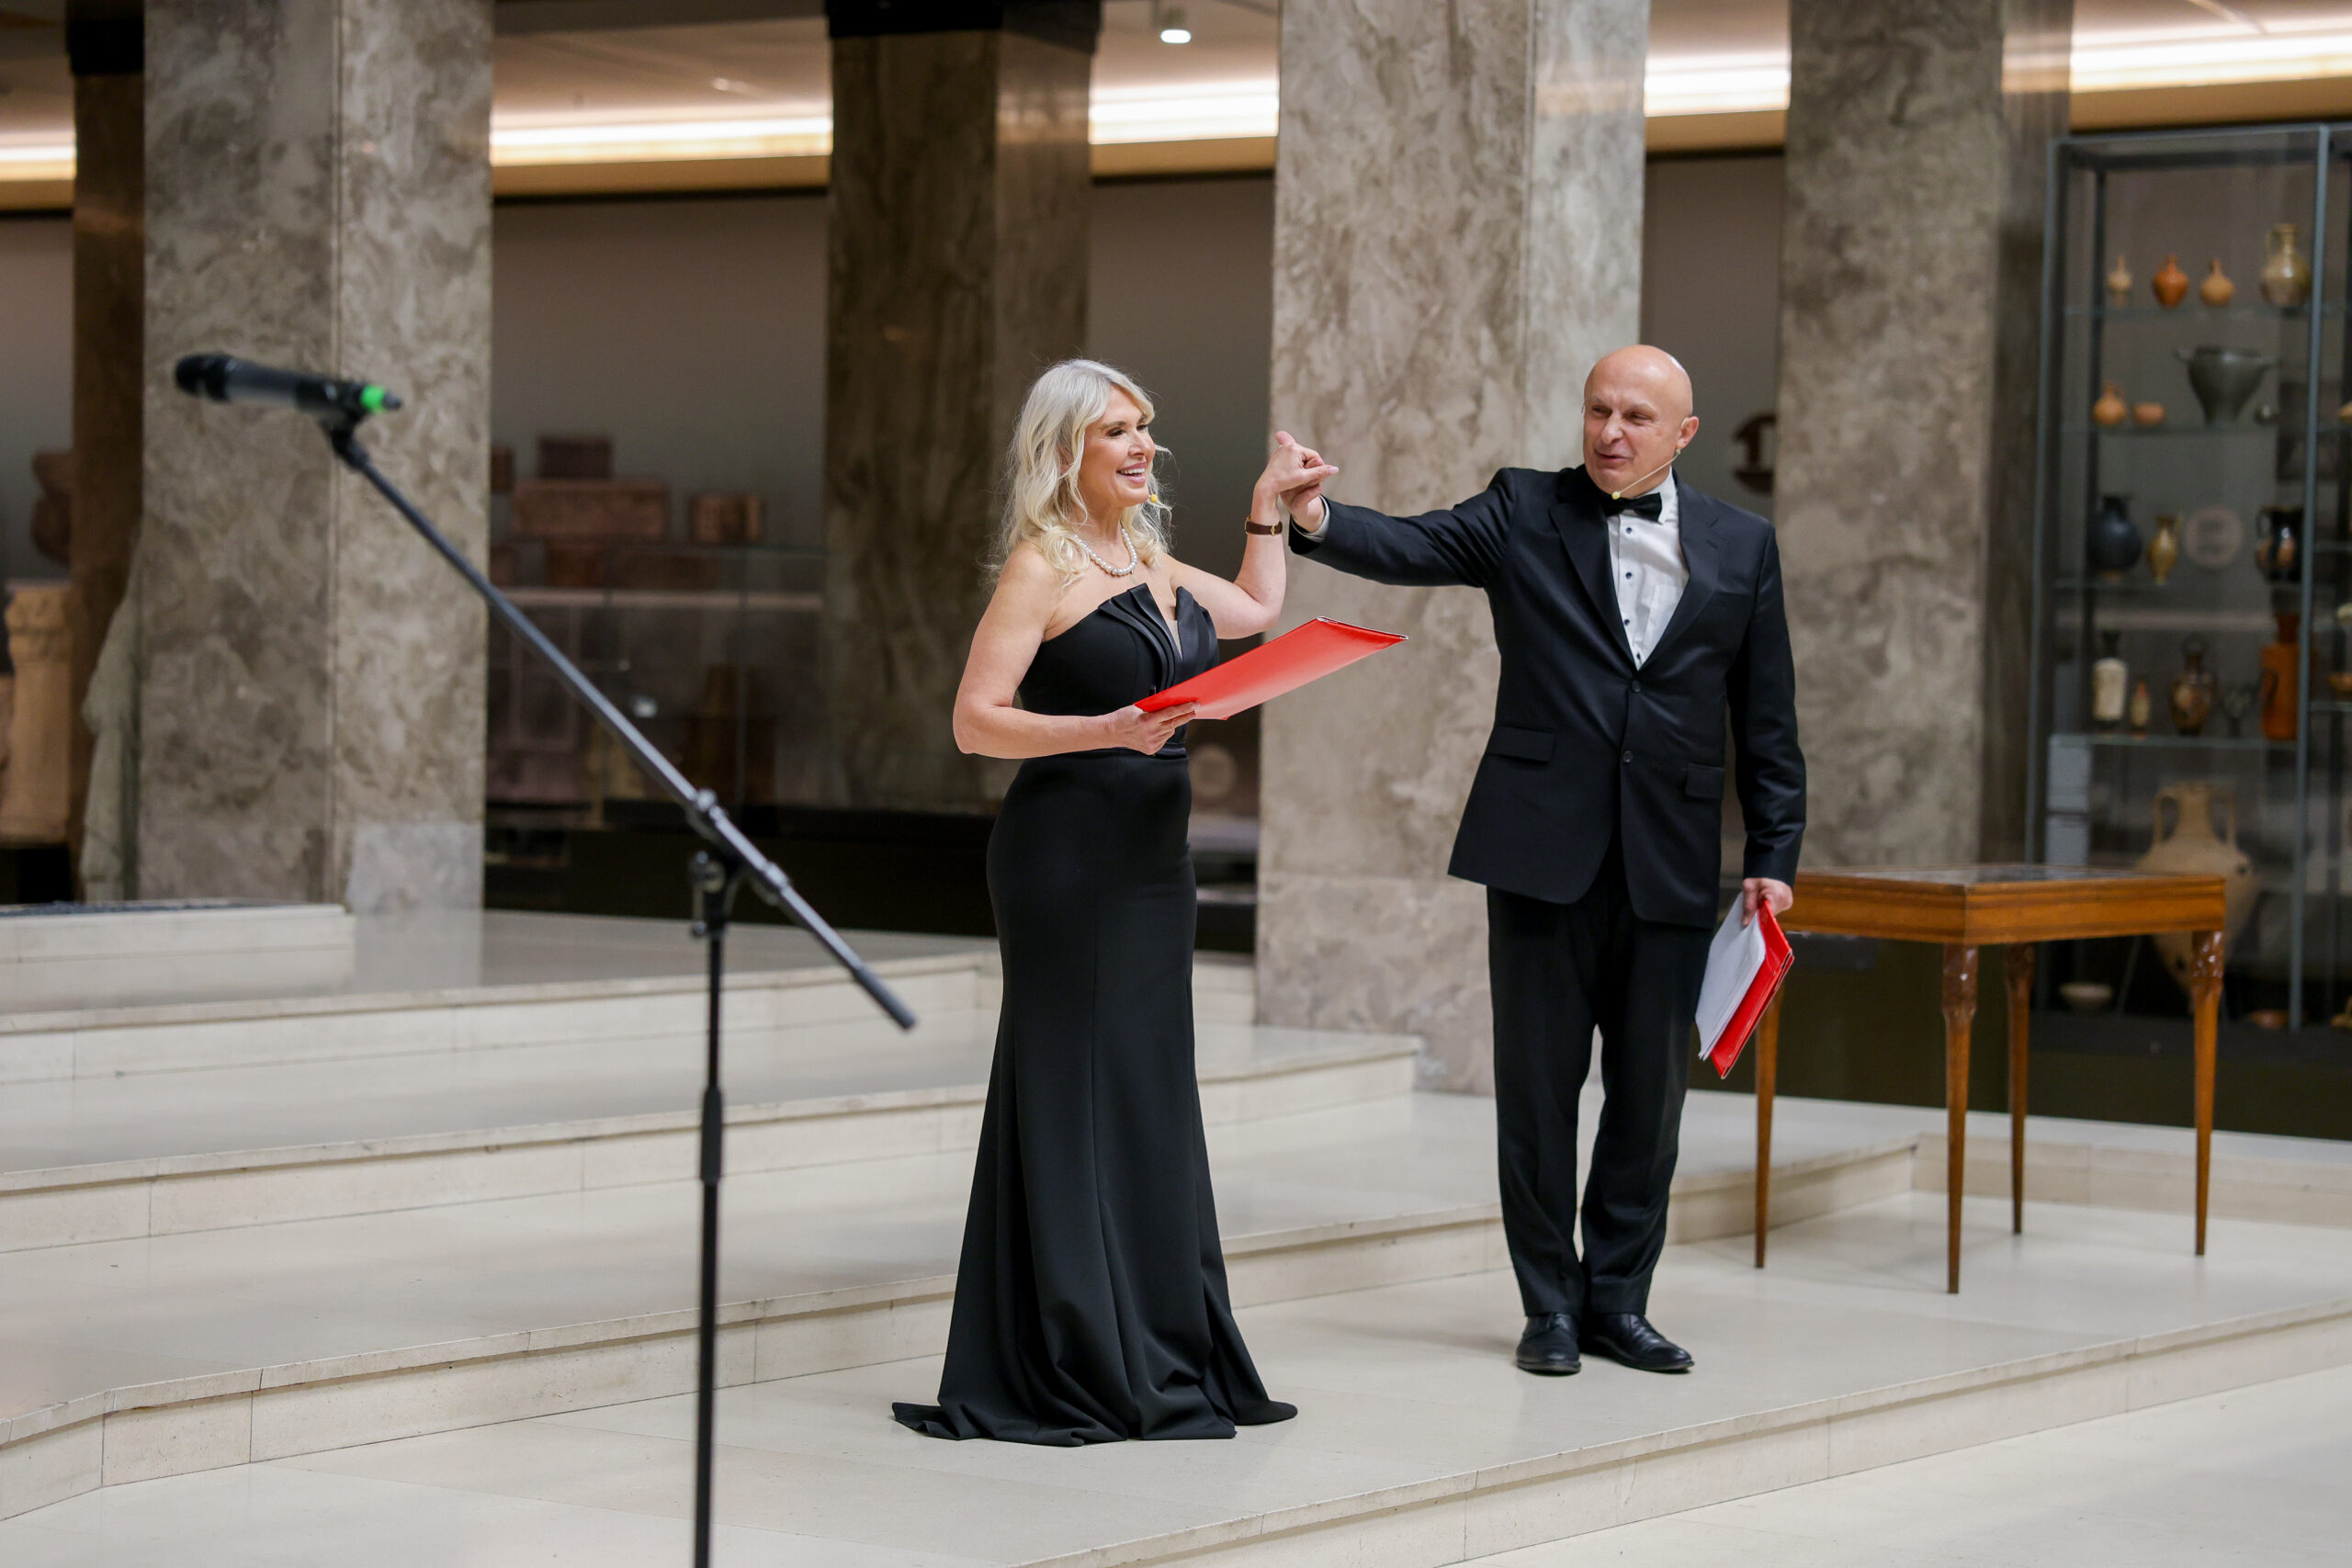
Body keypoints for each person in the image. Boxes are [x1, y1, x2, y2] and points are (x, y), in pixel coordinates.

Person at [1272, 345, 1804, 1378]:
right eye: (1598, 409)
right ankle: (1548, 1308)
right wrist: (1315, 520)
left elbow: (1768, 717)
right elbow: (1414, 546)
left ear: (1682, 435)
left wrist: (1776, 851)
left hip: (1673, 858)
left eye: (1637, 417)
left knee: (1649, 1103)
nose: (1611, 431)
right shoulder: (1524, 508)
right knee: (1538, 1094)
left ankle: (1620, 1303)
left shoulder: (1745, 546)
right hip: (1539, 850)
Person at [892, 359, 1333, 1444]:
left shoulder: (1146, 555)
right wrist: (1106, 728)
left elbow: (1256, 612)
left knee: (1144, 1092)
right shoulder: (1041, 567)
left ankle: (1155, 1334)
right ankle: (1078, 1349)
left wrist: (1266, 510)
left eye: (1146, 428)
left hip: (1152, 865)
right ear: (1063, 452)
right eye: (1114, 434)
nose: (1141, 448)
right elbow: (974, 721)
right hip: (1067, 857)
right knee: (1074, 1088)